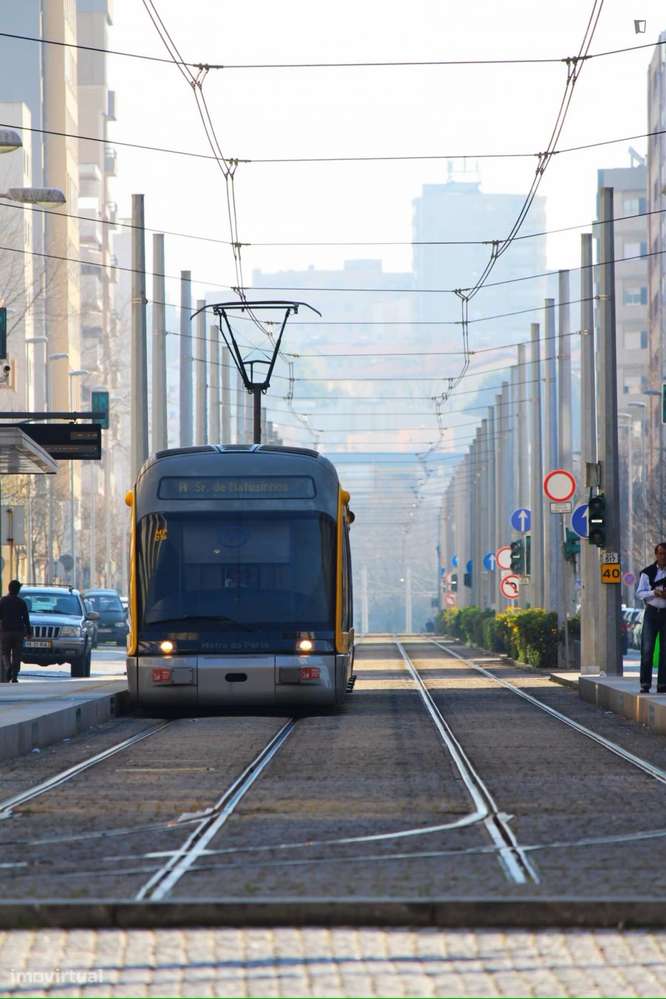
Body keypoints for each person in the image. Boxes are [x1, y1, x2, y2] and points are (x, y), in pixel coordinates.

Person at [636, 543, 666, 693]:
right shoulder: (647, 572)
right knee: (647, 649)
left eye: (665, 554)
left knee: (665, 651)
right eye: (660, 553)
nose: (663, 557)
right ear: (656, 555)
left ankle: (662, 684)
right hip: (651, 613)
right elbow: (640, 593)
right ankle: (645, 683)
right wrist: (654, 593)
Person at [0, 579, 31, 683]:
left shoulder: (2, 601)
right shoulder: (21, 602)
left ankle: (8, 667)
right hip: (18, 632)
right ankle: (14, 676)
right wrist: (29, 632)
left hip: (5, 632)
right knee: (17, 655)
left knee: (5, 653)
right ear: (18, 591)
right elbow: (26, 619)